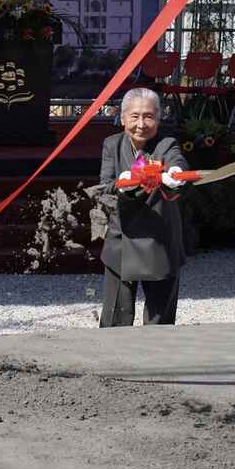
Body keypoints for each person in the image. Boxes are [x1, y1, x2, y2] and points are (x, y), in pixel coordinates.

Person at [98, 88, 188, 327]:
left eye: (148, 116)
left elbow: (177, 162)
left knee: (160, 317)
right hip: (122, 236)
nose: (141, 124)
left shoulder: (166, 143)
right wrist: (122, 186)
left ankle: (157, 360)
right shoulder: (112, 144)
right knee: (116, 314)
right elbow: (104, 186)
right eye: (134, 116)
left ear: (158, 118)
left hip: (160, 237)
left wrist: (176, 174)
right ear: (123, 117)